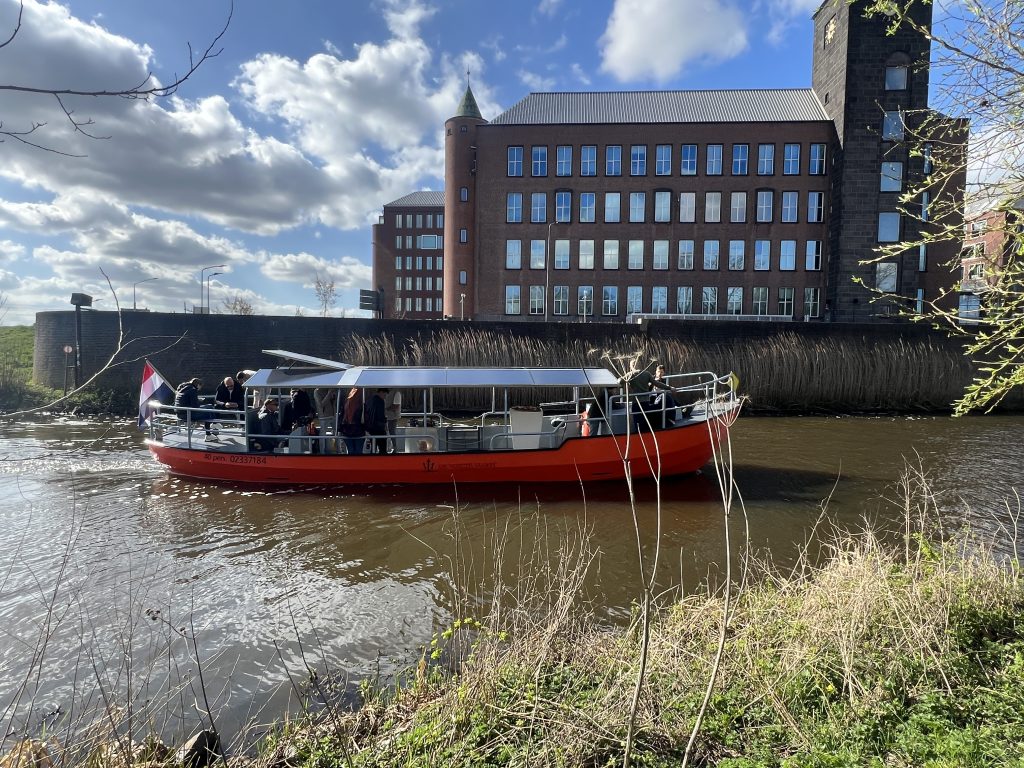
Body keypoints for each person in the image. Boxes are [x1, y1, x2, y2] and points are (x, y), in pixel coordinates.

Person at [340, 387, 365, 455]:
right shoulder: (360, 404)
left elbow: (342, 416)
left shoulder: (346, 402)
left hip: (347, 430)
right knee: (358, 452)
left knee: (351, 451)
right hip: (358, 431)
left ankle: (351, 464)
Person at [314, 387, 340, 454]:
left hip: (333, 415)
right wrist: (329, 394)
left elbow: (333, 402)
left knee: (337, 432)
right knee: (323, 434)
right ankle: (322, 451)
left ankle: (338, 450)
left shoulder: (328, 390)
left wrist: (333, 397)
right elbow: (321, 404)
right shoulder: (317, 392)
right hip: (324, 417)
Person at [364, 389, 388, 454]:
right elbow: (381, 416)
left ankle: (372, 462)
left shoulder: (369, 400)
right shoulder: (380, 401)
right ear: (381, 392)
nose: (385, 397)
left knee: (373, 447)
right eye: (385, 395)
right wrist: (385, 423)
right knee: (382, 448)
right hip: (379, 428)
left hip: (370, 428)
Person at [383, 388, 402, 453]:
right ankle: (387, 447)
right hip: (386, 416)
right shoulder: (387, 392)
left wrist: (386, 409)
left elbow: (396, 405)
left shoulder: (397, 393)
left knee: (392, 431)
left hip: (393, 417)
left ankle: (395, 448)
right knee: (385, 431)